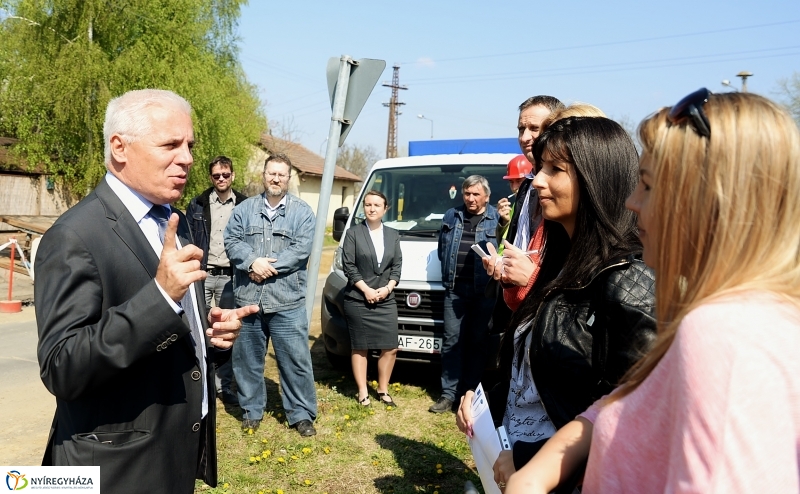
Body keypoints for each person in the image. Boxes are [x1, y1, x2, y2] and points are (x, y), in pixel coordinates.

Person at [507, 91, 800, 493]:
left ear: (704, 202)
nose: (631, 203)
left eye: (646, 186)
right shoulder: (739, 314)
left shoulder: (724, 335)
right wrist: (540, 468)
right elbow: (625, 403)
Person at [34, 89, 259, 493]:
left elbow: (167, 326)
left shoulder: (176, 222)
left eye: (189, 144)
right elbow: (62, 367)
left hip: (171, 452)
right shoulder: (73, 237)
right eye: (171, 144)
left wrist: (209, 337)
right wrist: (159, 297)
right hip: (111, 470)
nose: (188, 158)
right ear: (120, 148)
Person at [457, 116, 658, 492]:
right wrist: (485, 400)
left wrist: (531, 457)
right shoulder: (557, 263)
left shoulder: (629, 277)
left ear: (596, 178)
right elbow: (536, 373)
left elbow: (632, 416)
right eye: (539, 168)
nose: (539, 181)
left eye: (555, 170)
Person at [224, 152, 318, 436]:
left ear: (289, 178)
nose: (276, 178)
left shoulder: (303, 213)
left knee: (295, 360)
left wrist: (264, 267)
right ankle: (251, 410)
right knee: (247, 360)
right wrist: (252, 262)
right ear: (263, 175)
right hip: (248, 299)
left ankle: (301, 414)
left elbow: (300, 250)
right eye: (271, 173)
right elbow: (231, 240)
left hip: (287, 300)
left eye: (281, 174)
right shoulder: (244, 210)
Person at [431, 175, 500, 413]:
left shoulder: (497, 219)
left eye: (476, 194)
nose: (470, 199)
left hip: (484, 292)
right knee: (451, 341)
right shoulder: (452, 215)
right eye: (467, 194)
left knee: (477, 342)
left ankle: (469, 394)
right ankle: (448, 394)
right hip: (455, 290)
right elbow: (443, 249)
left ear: (486, 196)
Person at [187, 155, 248, 405]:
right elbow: (188, 238)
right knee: (199, 329)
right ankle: (202, 385)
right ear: (211, 177)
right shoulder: (198, 205)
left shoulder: (245, 205)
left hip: (230, 278)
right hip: (203, 275)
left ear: (232, 175)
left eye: (225, 174)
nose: (221, 179)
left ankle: (223, 386)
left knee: (223, 332)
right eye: (216, 175)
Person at [341, 190, 402, 407]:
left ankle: (383, 389)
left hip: (386, 298)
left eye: (377, 205)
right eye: (368, 205)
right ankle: (362, 391)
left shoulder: (393, 235)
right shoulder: (353, 233)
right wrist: (366, 290)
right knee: (361, 347)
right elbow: (348, 265)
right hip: (358, 298)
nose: (372, 208)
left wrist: (387, 288)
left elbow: (396, 267)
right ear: (363, 208)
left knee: (390, 347)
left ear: (386, 209)